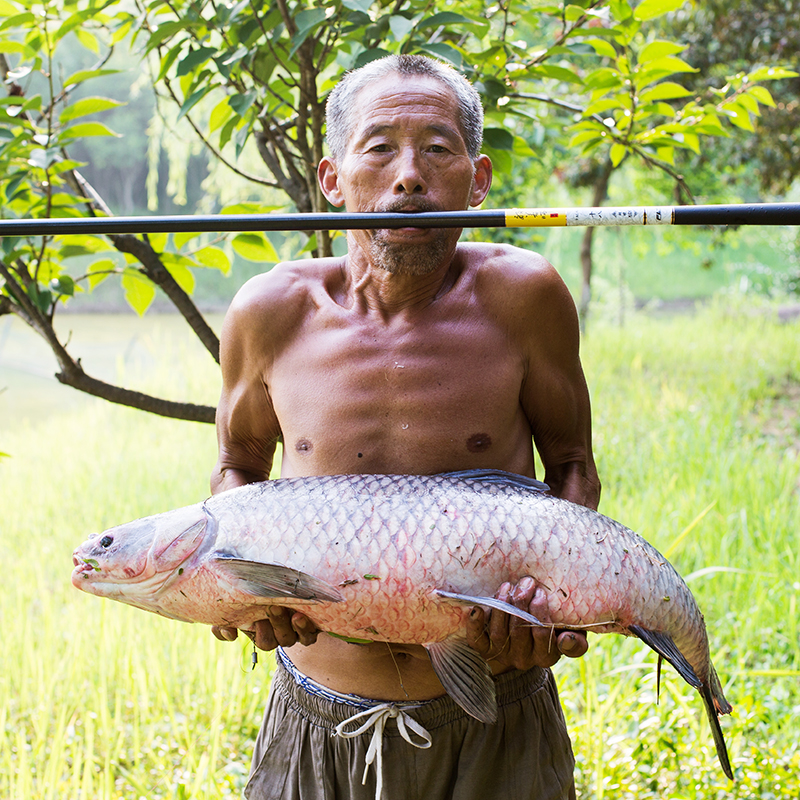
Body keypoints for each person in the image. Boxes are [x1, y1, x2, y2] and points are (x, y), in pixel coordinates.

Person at [210, 54, 601, 800]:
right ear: (332, 178)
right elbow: (236, 466)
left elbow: (574, 466)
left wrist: (547, 602)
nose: (409, 175)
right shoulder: (271, 310)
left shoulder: (525, 297)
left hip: (497, 708)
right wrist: (243, 591)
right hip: (318, 711)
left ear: (477, 179)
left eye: (437, 148)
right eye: (380, 146)